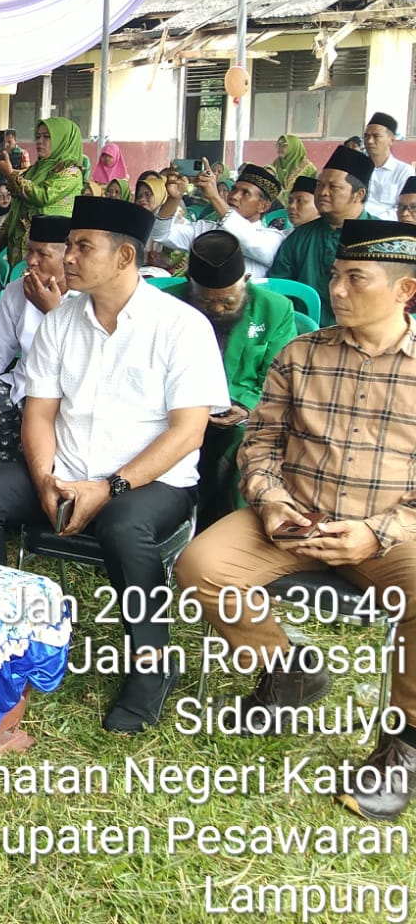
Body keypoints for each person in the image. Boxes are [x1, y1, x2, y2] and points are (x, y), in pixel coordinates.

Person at [0, 197, 228, 734]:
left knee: (124, 525)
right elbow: (39, 414)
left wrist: (110, 487)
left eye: (83, 247)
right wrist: (44, 480)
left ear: (125, 256)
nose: (69, 258)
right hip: (65, 470)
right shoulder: (61, 321)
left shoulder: (181, 325)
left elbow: (187, 433)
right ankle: (0, 631)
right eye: (70, 245)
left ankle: (152, 664)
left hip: (151, 482)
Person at [176, 219, 416, 821]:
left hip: (389, 531)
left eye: (355, 279)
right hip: (294, 517)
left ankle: (404, 747)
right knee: (200, 566)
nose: (337, 290)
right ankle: (291, 670)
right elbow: (261, 441)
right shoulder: (303, 353)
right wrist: (271, 499)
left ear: (405, 290)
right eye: (335, 276)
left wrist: (376, 533)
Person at [171, 231, 298, 528]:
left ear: (246, 281)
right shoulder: (167, 304)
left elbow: (280, 376)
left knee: (243, 442)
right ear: (190, 285)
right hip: (176, 408)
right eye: (205, 301)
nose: (217, 309)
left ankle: (228, 526)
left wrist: (245, 407)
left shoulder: (275, 309)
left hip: (242, 412)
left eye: (228, 302)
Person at [0, 215, 75, 466]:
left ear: (68, 256)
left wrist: (52, 312)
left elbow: (80, 363)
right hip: (22, 383)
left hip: (64, 393)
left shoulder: (86, 298)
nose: (31, 261)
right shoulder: (16, 290)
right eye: (30, 251)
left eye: (43, 254)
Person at [269, 145, 374, 327]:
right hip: (302, 333)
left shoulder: (380, 238)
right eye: (319, 185)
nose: (322, 192)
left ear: (358, 195)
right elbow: (278, 288)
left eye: (333, 187)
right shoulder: (300, 236)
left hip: (362, 335)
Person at [150, 163, 285, 278]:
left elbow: (248, 241)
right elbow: (160, 235)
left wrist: (215, 197)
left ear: (264, 206)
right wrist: (174, 199)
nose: (234, 196)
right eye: (234, 189)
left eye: (245, 193)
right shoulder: (207, 229)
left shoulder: (272, 239)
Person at [0, 117, 85, 260]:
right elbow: (16, 209)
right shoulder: (35, 170)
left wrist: (9, 174)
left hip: (47, 250)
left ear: (62, 140)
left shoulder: (70, 172)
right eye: (38, 136)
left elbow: (43, 196)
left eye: (46, 137)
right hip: (20, 248)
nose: (40, 141)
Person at [362, 112, 414, 221]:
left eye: (376, 136)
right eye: (366, 136)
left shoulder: (404, 171)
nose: (369, 141)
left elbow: (404, 207)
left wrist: (371, 220)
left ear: (392, 140)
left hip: (387, 226)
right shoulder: (357, 168)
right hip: (354, 222)